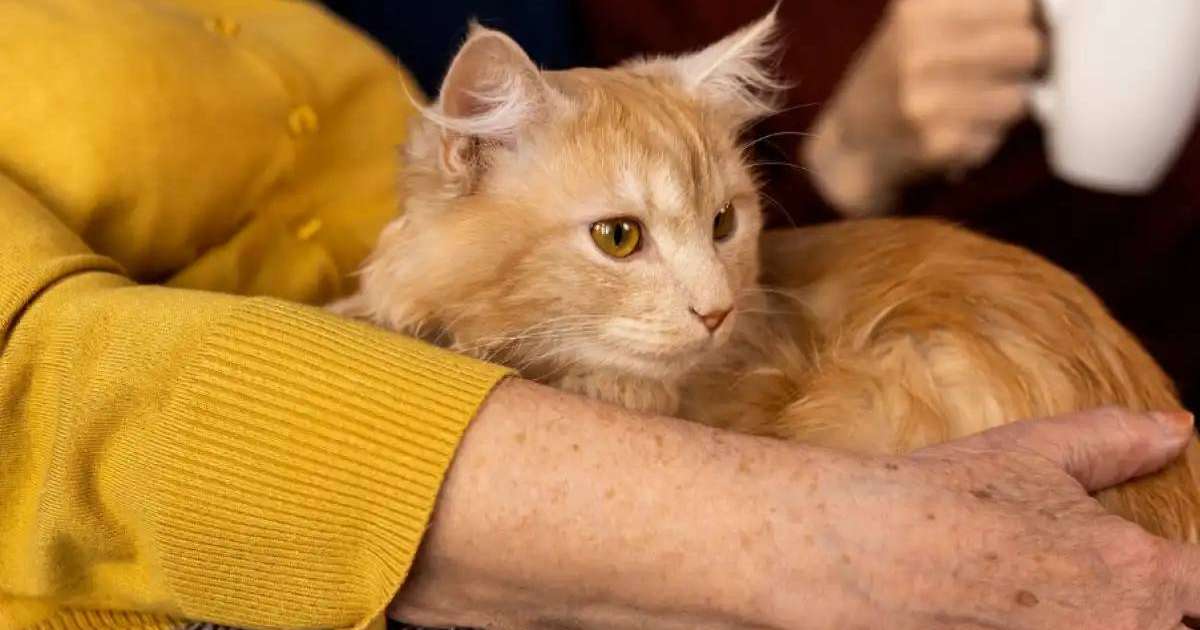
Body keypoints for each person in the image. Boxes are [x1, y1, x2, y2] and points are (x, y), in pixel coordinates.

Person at [2, 2, 1199, 630]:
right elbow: (41, 389)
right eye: (625, 242)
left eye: (726, 228)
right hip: (221, 515)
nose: (714, 302)